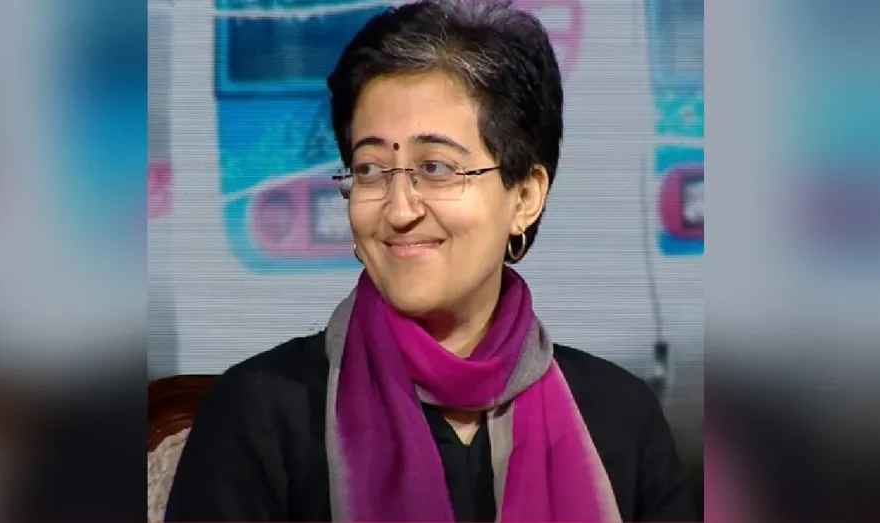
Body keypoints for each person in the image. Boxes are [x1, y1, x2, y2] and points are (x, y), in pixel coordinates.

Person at [164, 0, 696, 521]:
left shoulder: (619, 419)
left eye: (436, 168)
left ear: (525, 196)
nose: (399, 210)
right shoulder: (261, 413)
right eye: (370, 170)